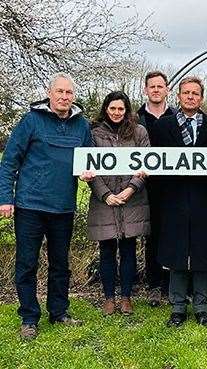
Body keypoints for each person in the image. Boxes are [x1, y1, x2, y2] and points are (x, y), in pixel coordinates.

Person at [0, 72, 94, 340]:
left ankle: (59, 312)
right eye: (60, 92)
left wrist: (88, 173)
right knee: (27, 263)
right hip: (30, 205)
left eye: (69, 93)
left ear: (73, 96)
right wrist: (5, 198)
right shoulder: (31, 120)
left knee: (60, 264)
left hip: (63, 207)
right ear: (50, 94)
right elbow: (9, 162)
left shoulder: (81, 126)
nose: (64, 97)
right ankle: (29, 317)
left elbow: (88, 160)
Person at [149, 76, 207, 327]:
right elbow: (156, 163)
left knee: (204, 252)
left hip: (206, 199)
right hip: (173, 200)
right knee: (176, 252)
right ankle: (177, 308)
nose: (191, 97)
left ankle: (202, 307)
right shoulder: (163, 126)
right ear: (179, 96)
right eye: (186, 93)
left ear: (201, 98)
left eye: (195, 93)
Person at [87, 91, 150, 316]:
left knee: (128, 249)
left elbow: (146, 165)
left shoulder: (139, 132)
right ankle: (108, 298)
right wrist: (105, 195)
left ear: (127, 110)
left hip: (132, 200)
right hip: (104, 201)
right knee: (106, 250)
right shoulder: (94, 134)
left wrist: (130, 190)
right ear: (106, 109)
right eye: (112, 108)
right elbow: (89, 169)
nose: (116, 113)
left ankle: (126, 297)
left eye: (121, 109)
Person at [137, 71, 176, 307]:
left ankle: (174, 283)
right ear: (146, 90)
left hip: (172, 185)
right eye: (152, 86)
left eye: (160, 86)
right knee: (151, 235)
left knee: (173, 233)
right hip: (143, 185)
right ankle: (153, 285)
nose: (156, 90)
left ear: (167, 90)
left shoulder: (177, 117)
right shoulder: (136, 118)